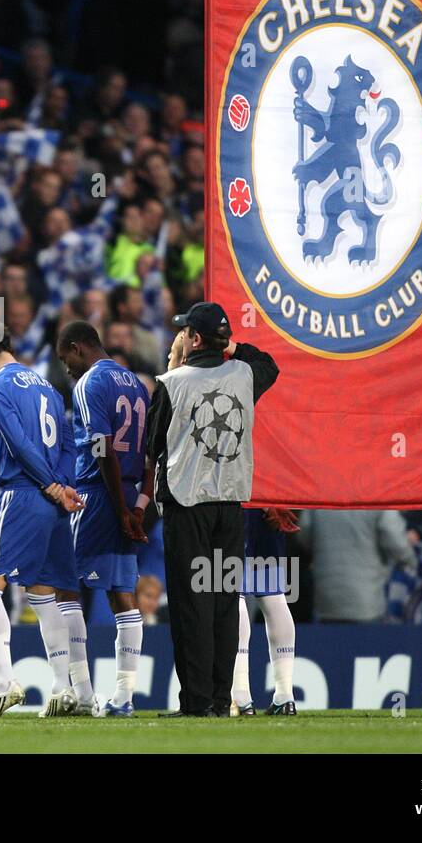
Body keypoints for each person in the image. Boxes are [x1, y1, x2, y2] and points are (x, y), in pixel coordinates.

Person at [146, 302, 278, 717]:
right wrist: (230, 344)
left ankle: (197, 701)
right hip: (231, 506)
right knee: (223, 602)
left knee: (191, 606)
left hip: (188, 506)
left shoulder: (172, 382)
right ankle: (222, 699)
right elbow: (268, 364)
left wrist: (172, 363)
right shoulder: (243, 374)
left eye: (186, 331)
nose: (181, 335)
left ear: (194, 339)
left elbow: (153, 446)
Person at [0, 325, 84, 717]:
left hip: (24, 493)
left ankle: (4, 682)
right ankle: (63, 688)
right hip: (54, 500)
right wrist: (64, 484)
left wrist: (50, 485)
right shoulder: (47, 385)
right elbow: (68, 441)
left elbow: (17, 442)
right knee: (44, 594)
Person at [55, 320, 155, 717]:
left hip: (98, 494)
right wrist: (137, 509)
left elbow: (102, 449)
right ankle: (123, 698)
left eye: (66, 360)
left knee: (66, 586)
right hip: (130, 494)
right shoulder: (136, 383)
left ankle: (81, 695)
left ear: (79, 348)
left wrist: (116, 508)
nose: (67, 369)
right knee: (123, 596)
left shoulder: (89, 385)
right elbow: (149, 456)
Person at [231, 508, 300, 715]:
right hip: (271, 505)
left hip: (238, 503)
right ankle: (285, 696)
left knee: (233, 595)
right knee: (273, 596)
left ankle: (241, 697)